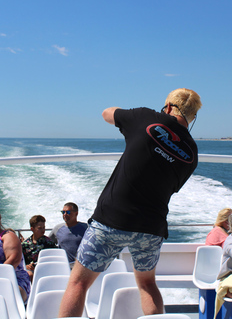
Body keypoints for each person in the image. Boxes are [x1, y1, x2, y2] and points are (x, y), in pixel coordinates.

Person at [58, 88, 202, 317]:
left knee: (78, 283)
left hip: (111, 220)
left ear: (167, 107)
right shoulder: (192, 152)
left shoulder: (145, 117)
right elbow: (173, 186)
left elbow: (107, 113)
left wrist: (136, 118)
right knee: (147, 285)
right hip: (151, 228)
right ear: (192, 117)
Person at [22, 214, 57, 280]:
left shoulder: (49, 243)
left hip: (46, 270)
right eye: (40, 228)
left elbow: (54, 259)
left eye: (44, 227)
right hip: (30, 272)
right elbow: (21, 260)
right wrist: (26, 266)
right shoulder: (25, 244)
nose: (43, 230)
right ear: (32, 229)